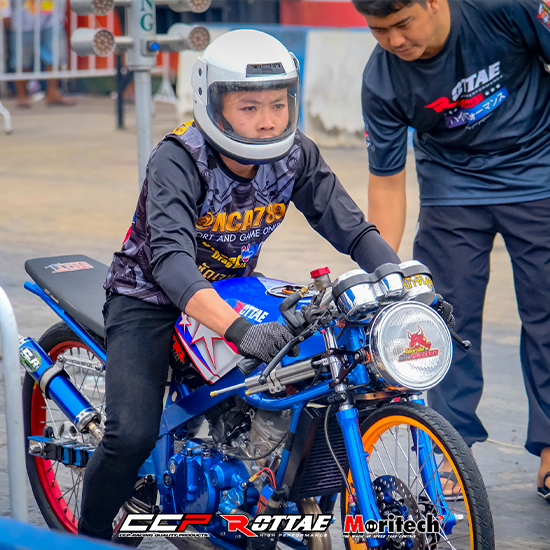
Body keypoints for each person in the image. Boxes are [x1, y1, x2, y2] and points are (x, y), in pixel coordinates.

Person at [77, 29, 401, 540]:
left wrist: (400, 282)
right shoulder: (179, 158)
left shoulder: (296, 154)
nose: (268, 119)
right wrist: (240, 331)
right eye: (249, 107)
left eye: (277, 104)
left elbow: (352, 228)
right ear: (215, 106)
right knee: (131, 434)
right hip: (149, 296)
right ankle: (88, 537)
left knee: (313, 374)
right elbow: (171, 262)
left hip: (235, 290)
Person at [352, 0, 550, 500]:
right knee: (442, 320)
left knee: (548, 311)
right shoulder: (382, 80)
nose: (395, 41)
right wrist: (383, 271)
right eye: (380, 30)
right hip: (452, 189)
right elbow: (387, 183)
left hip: (538, 172)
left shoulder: (504, 8)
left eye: (403, 24)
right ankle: (449, 447)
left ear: (435, 2)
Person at [1, 0, 74, 107]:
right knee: (21, 61)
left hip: (51, 18)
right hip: (22, 22)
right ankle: (21, 96)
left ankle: (52, 92)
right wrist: (5, 13)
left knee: (55, 56)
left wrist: (61, 13)